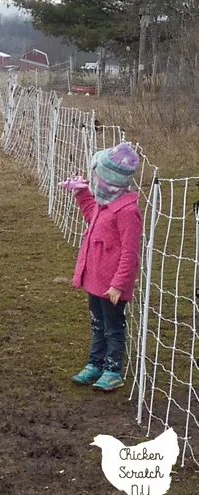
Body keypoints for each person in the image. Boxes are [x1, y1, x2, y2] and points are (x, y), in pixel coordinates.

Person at [60, 143, 143, 392]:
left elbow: (130, 253)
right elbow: (90, 215)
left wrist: (119, 284)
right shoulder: (104, 202)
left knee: (113, 328)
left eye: (97, 176)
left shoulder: (127, 211)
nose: (94, 179)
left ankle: (112, 369)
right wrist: (81, 193)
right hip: (95, 280)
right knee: (97, 324)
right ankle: (95, 363)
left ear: (110, 179)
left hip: (111, 287)